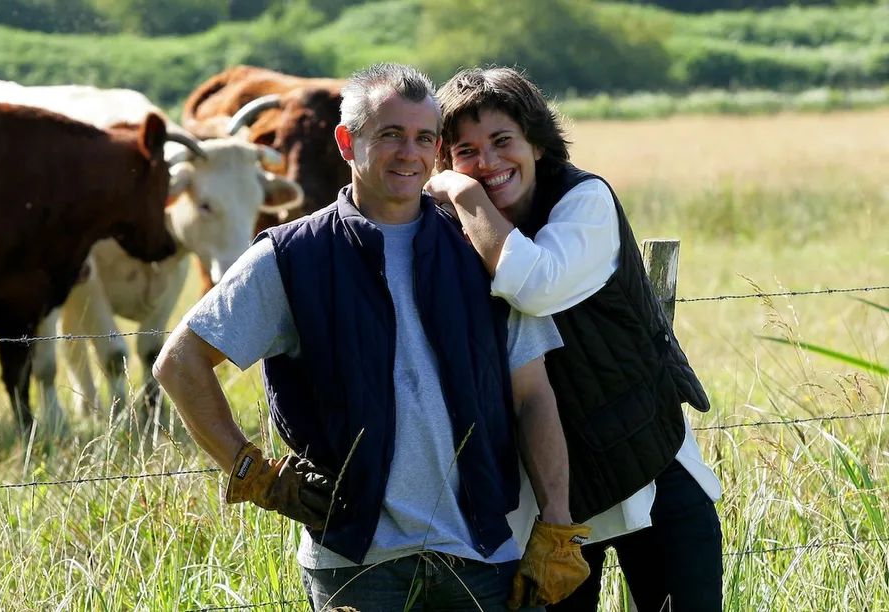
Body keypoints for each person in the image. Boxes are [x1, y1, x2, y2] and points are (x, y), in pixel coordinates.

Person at [153, 62, 592, 612]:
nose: (410, 153)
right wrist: (250, 471)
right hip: (356, 566)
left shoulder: (480, 252)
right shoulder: (293, 258)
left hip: (482, 556)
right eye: (390, 135)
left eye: (424, 138)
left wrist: (554, 527)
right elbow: (179, 363)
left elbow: (532, 394)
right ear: (346, 141)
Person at [424, 66, 724, 612]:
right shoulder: (447, 234)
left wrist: (464, 192)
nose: (488, 162)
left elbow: (535, 285)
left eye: (502, 141)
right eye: (465, 151)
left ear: (537, 142)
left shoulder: (584, 201)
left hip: (649, 464)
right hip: (546, 500)